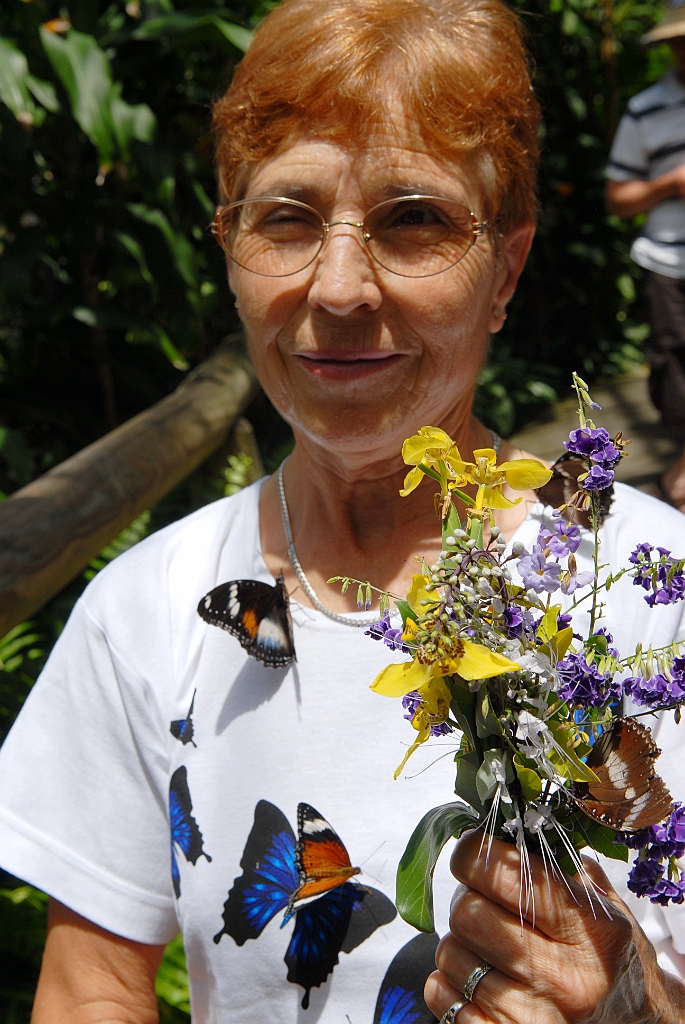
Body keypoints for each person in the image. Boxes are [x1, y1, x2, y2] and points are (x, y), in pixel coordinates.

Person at [1, 1, 685, 1021]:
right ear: (230, 248)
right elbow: (90, 986)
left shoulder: (649, 599)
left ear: (504, 266)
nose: (340, 288)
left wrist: (634, 1004)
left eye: (415, 218)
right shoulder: (148, 610)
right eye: (286, 218)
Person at [606, 1, 685, 512]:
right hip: (668, 265)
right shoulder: (645, 109)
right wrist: (668, 184)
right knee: (674, 365)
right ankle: (681, 466)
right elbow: (617, 198)